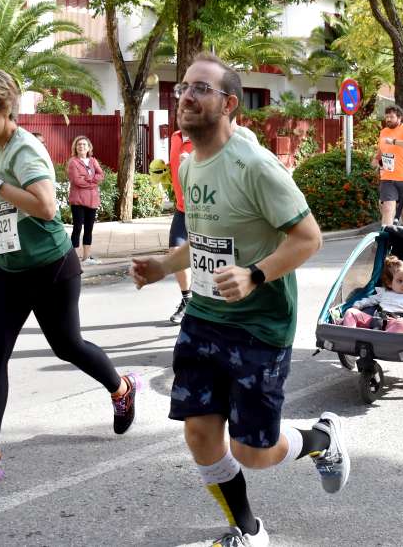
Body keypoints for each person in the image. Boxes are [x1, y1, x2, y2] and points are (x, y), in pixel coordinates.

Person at [130, 53, 348, 547]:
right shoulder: (187, 167)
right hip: (204, 318)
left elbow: (307, 238)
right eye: (184, 87)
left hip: (259, 324)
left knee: (253, 451)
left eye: (201, 89)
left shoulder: (255, 166)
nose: (186, 96)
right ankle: (248, 530)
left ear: (229, 104)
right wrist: (166, 266)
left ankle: (321, 440)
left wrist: (255, 275)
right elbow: (207, 237)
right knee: (200, 435)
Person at [0, 69, 138, 482]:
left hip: (49, 268)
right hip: (8, 268)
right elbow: (22, 203)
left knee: (68, 346)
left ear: (3, 108)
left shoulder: (25, 149)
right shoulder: (1, 145)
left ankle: (121, 388)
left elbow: (47, 207)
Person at [334, 255, 403, 335]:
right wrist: (357, 306)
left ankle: (381, 341)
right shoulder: (384, 293)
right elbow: (369, 300)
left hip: (395, 324)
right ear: (390, 283)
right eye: (400, 281)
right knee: (350, 312)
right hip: (376, 320)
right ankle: (350, 336)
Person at [372, 106, 403, 228]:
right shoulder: (383, 132)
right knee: (387, 207)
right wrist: (376, 159)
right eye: (387, 116)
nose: (388, 119)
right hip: (388, 177)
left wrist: (394, 141)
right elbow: (382, 150)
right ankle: (386, 239)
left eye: (391, 116)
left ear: (399, 117)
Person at [166, 128, 194, 324]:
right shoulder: (175, 137)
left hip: (204, 209)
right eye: (181, 110)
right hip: (182, 208)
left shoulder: (205, 135)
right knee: (176, 253)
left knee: (206, 259)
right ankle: (187, 299)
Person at [67, 135, 104, 265]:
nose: (81, 146)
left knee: (89, 229)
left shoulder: (93, 161)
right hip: (78, 199)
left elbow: (101, 175)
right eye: (79, 145)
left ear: (88, 147)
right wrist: (92, 181)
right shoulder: (73, 162)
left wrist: (88, 179)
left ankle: (86, 257)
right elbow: (76, 181)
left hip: (92, 200)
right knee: (77, 228)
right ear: (75, 148)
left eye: (84, 144)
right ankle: (73, 259)